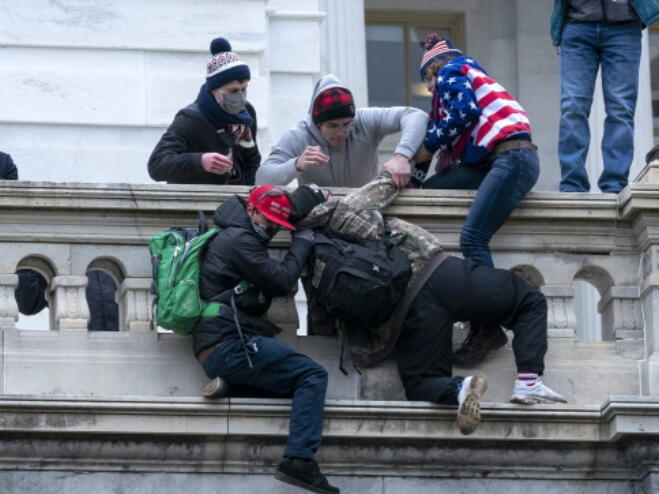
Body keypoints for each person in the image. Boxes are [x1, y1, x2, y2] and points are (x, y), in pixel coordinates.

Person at [291, 178, 565, 436]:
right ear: (323, 199)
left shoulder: (308, 254)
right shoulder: (346, 207)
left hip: (407, 316)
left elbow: (324, 321)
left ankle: (460, 388)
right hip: (438, 274)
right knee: (528, 300)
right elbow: (390, 182)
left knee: (420, 383)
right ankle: (528, 382)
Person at [194, 185, 337, 494]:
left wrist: (315, 193)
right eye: (267, 219)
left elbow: (287, 208)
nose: (271, 228)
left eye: (277, 224)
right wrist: (300, 241)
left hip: (220, 346)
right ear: (250, 210)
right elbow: (283, 279)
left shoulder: (240, 233)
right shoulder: (239, 241)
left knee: (290, 386)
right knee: (312, 375)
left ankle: (234, 387)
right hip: (230, 342)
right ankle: (299, 459)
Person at [414, 34, 539, 368]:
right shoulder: (468, 74)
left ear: (433, 70)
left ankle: (488, 324)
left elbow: (462, 112)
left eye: (426, 79)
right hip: (495, 161)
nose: (429, 87)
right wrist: (415, 175)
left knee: (473, 237)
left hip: (512, 158)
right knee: (432, 191)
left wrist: (428, 145)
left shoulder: (451, 71)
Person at [552, 0, 659, 193]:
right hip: (577, 26)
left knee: (621, 108)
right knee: (573, 106)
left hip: (624, 29)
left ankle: (615, 185)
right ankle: (572, 184)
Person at [256, 75, 427, 190]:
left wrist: (401, 156)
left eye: (346, 124)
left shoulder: (364, 120)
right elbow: (262, 179)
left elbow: (416, 115)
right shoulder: (298, 136)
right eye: (332, 126)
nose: (341, 132)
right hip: (319, 217)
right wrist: (296, 164)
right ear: (317, 123)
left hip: (366, 211)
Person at [147, 39, 260, 185]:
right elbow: (157, 165)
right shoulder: (190, 119)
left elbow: (252, 160)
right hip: (194, 203)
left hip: (234, 202)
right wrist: (200, 161)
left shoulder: (245, 114)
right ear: (214, 89)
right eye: (233, 91)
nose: (240, 96)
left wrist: (246, 194)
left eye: (244, 89)